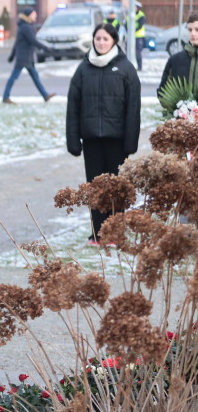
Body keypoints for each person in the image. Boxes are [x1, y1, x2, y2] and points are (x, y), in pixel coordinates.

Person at [65, 23, 141, 246]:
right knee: (96, 187)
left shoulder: (126, 69)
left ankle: (115, 232)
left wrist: (131, 141)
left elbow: (133, 108)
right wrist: (73, 139)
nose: (101, 42)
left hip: (117, 140)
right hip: (92, 140)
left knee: (116, 188)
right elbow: (73, 107)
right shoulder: (83, 69)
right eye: (97, 38)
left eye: (105, 39)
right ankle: (97, 234)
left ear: (114, 41)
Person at [1, 7, 55, 104]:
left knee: (35, 77)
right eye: (34, 14)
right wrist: (46, 48)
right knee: (13, 78)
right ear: (29, 15)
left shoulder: (25, 26)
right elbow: (33, 41)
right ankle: (5, 97)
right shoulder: (26, 27)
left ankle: (45, 95)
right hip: (23, 58)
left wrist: (12, 56)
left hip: (27, 58)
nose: (36, 15)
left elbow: (17, 43)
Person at [159, 11, 198, 94]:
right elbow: (163, 92)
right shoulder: (175, 60)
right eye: (190, 30)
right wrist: (179, 105)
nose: (193, 34)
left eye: (197, 30)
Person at [133, 2, 146, 71]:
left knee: (137, 52)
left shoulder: (141, 16)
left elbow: (140, 25)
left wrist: (132, 31)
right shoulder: (130, 14)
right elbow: (126, 23)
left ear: (137, 8)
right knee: (129, 52)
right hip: (130, 37)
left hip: (138, 37)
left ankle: (139, 67)